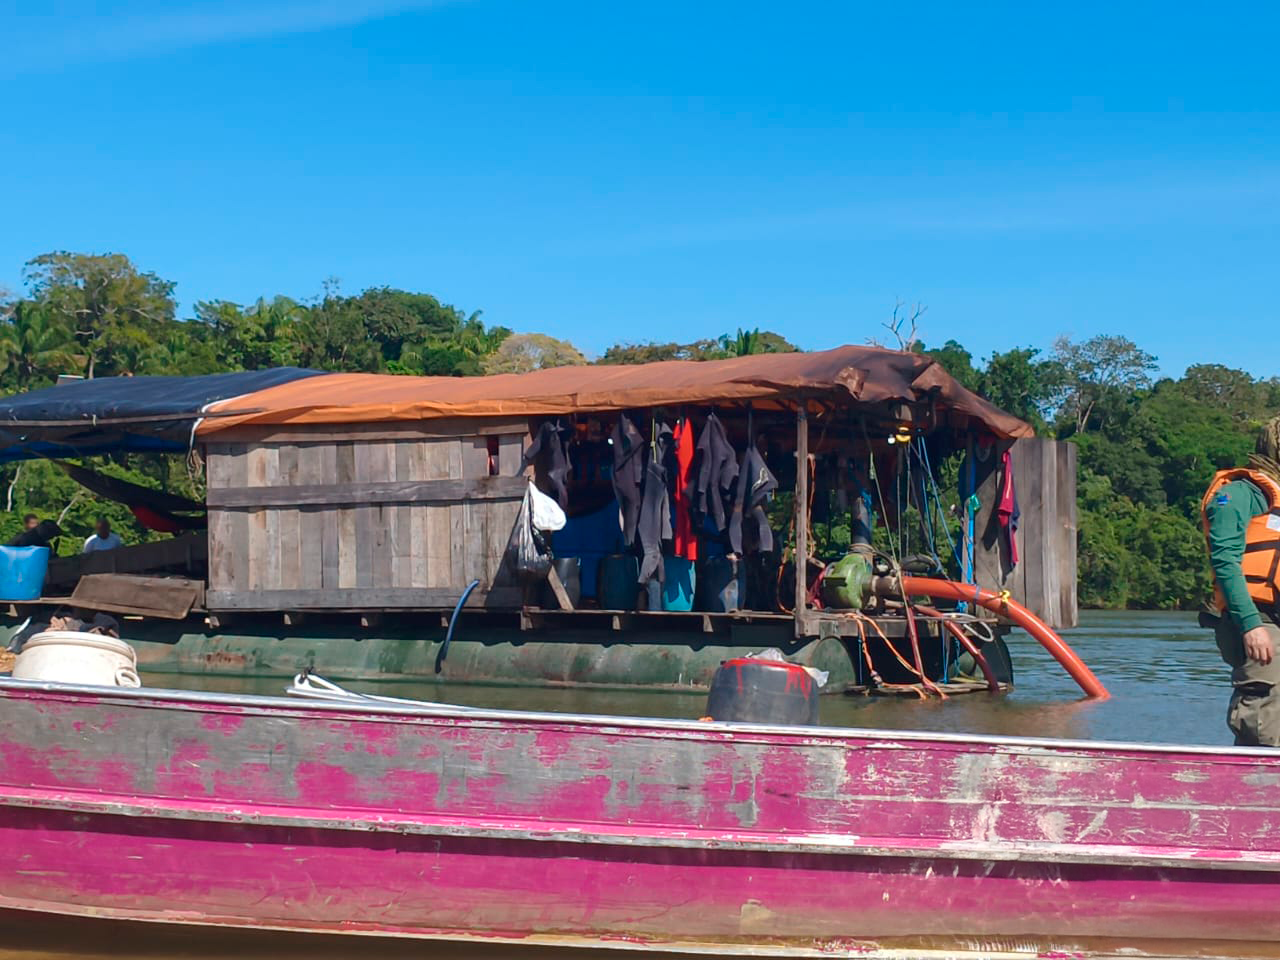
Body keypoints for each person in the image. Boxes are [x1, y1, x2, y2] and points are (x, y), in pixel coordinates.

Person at [1202, 417, 1280, 746]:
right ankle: (1258, 776)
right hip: (1256, 618)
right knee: (1263, 721)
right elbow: (1224, 560)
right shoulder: (1239, 494)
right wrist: (1250, 625)